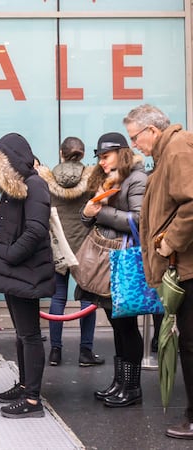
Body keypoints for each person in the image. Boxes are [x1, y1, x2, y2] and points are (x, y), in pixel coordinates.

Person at [124, 104, 193, 440]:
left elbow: (191, 203)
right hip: (183, 266)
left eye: (135, 137)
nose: (135, 145)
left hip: (186, 265)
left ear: (152, 130)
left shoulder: (177, 150)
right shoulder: (169, 153)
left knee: (191, 344)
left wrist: (170, 242)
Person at [0, 133, 53, 419]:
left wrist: (8, 256)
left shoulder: (34, 185)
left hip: (25, 270)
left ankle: (33, 400)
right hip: (17, 272)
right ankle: (24, 385)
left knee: (30, 335)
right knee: (22, 334)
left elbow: (35, 230)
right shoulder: (16, 188)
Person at [78, 132, 147, 408]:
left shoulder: (137, 178)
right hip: (107, 260)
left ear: (121, 152)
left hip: (123, 261)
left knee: (126, 326)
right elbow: (88, 220)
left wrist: (101, 213)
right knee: (117, 325)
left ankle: (132, 387)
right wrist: (88, 212)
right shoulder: (108, 178)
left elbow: (140, 220)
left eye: (106, 157)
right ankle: (120, 383)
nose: (102, 162)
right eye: (100, 158)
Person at [37, 137, 104, 367]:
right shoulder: (93, 178)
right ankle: (86, 352)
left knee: (58, 298)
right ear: (83, 154)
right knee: (88, 298)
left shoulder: (47, 179)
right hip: (86, 245)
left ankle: (55, 351)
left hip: (58, 245)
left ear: (61, 153)